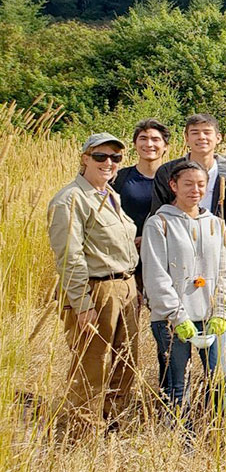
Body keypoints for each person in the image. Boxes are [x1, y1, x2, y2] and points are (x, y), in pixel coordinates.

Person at [47, 133, 140, 435]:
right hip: (96, 289)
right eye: (100, 156)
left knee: (127, 359)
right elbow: (69, 256)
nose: (108, 163)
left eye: (115, 158)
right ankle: (82, 430)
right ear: (85, 158)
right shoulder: (71, 199)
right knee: (93, 362)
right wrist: (82, 304)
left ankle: (113, 421)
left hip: (124, 286)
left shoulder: (110, 195)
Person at [141, 161, 226, 411]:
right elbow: (156, 276)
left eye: (201, 184)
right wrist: (177, 316)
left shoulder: (216, 224)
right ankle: (179, 440)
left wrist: (222, 312)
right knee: (177, 384)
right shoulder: (159, 223)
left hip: (211, 316)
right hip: (173, 320)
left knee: (220, 380)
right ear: (174, 185)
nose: (195, 190)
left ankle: (212, 436)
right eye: (188, 184)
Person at [151, 114, 226, 240]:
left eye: (207, 132)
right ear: (186, 138)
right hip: (176, 239)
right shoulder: (167, 172)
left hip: (215, 241)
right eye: (195, 133)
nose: (202, 137)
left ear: (218, 138)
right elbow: (159, 212)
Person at [113, 118, 170, 301]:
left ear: (165, 146)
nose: (149, 144)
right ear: (135, 144)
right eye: (143, 138)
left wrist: (149, 238)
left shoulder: (176, 179)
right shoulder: (119, 178)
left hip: (165, 256)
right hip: (127, 257)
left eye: (155, 139)